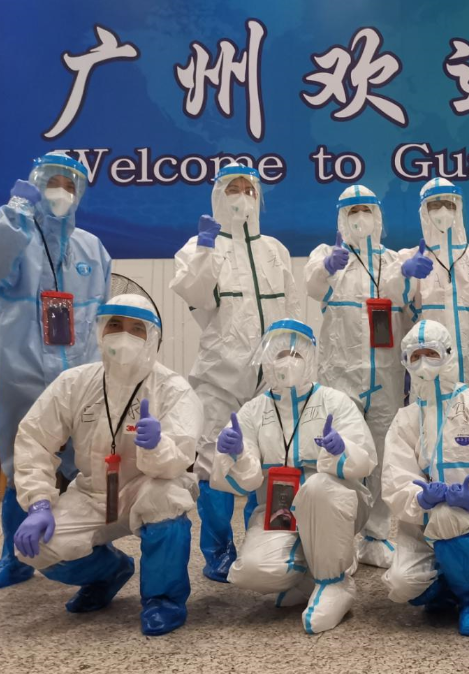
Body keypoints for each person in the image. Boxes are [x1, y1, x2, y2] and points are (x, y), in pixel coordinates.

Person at [10, 294, 202, 636]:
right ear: (99, 330)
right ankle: (109, 572)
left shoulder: (173, 389)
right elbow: (35, 439)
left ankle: (163, 599)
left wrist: (157, 446)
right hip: (93, 492)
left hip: (148, 485)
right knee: (38, 546)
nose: (123, 335)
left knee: (169, 499)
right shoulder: (74, 383)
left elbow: (179, 460)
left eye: (136, 328)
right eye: (114, 324)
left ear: (153, 337)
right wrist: (38, 502)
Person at [0, 151, 111, 591]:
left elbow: (103, 318)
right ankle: (12, 558)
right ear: (36, 185)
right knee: (24, 462)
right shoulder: (16, 237)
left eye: (71, 185)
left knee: (85, 464)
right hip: (26, 375)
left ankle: (93, 553)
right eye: (54, 182)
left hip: (82, 380)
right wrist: (13, 213)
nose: (62, 192)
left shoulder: (92, 248)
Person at [170, 163, 300, 583]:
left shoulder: (274, 250)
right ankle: (218, 549)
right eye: (232, 188)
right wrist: (207, 247)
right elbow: (197, 296)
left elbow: (292, 309)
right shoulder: (198, 247)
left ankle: (261, 540)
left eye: (249, 188)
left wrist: (292, 359)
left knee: (267, 456)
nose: (242, 196)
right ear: (218, 195)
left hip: (271, 376)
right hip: (220, 374)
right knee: (214, 461)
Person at [210, 319, 377, 634]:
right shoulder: (253, 411)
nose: (288, 361)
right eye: (280, 353)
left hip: (334, 506)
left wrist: (342, 449)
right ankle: (309, 574)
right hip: (278, 511)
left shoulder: (334, 401)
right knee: (252, 571)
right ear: (267, 359)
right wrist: (235, 453)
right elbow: (242, 480)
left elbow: (365, 460)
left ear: (311, 358)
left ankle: (334, 582)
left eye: (297, 354)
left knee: (317, 487)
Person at [381, 320, 469, 637]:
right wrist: (419, 497)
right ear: (405, 362)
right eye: (415, 356)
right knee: (403, 584)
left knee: (447, 519)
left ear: (448, 355)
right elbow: (395, 479)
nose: (423, 363)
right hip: (422, 521)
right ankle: (447, 586)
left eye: (430, 353)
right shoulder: (406, 419)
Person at [304, 185, 403, 568]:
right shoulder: (327, 255)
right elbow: (312, 286)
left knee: (380, 455)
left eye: (366, 210)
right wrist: (328, 267)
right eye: (352, 211)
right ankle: (339, 536)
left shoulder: (392, 261)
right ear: (341, 217)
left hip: (386, 377)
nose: (360, 217)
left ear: (377, 217)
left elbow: (408, 304)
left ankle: (376, 535)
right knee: (338, 454)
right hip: (340, 377)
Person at [382, 178, 469, 403]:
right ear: (424, 211)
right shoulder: (409, 258)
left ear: (458, 208)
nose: (442, 211)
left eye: (449, 204)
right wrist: (404, 273)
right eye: (435, 205)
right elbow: (392, 306)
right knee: (430, 423)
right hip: (426, 370)